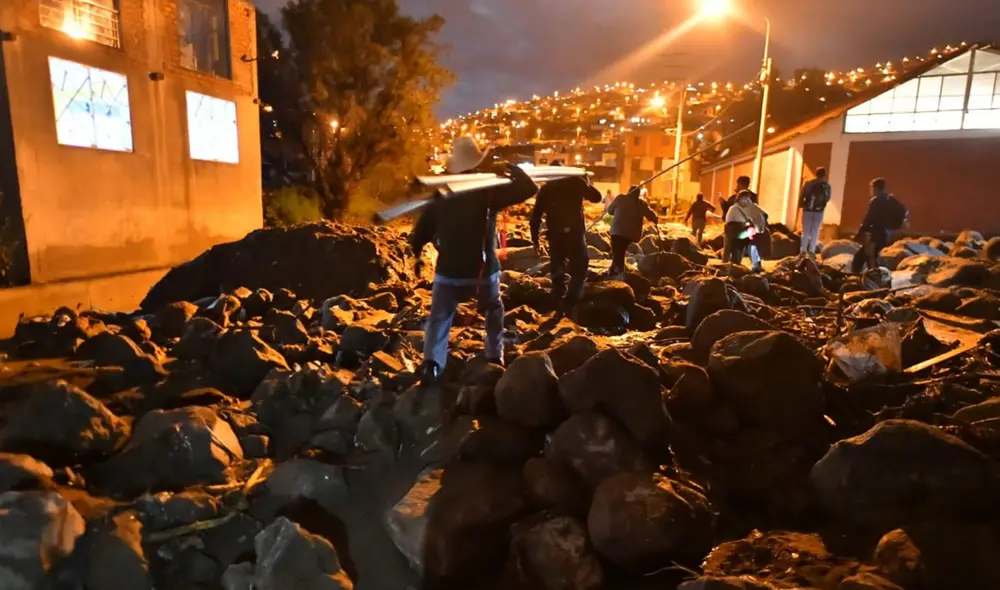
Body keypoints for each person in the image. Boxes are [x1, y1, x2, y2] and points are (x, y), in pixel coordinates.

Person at [410, 137, 538, 385]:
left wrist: (416, 256)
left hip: (448, 270)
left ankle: (432, 364)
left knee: (439, 316)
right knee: (493, 309)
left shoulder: (441, 194)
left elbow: (420, 233)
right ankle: (494, 355)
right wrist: (510, 168)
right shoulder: (487, 190)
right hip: (482, 271)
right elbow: (529, 188)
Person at [530, 163, 602, 313]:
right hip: (575, 234)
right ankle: (571, 300)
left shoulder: (546, 189)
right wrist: (585, 181)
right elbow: (597, 197)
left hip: (555, 235)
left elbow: (535, 217)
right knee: (580, 267)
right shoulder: (575, 182)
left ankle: (558, 298)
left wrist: (535, 239)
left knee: (557, 267)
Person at [607, 186, 657, 278]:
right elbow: (651, 215)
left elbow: (610, 211)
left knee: (618, 252)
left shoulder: (620, 198)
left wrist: (620, 211)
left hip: (617, 232)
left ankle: (619, 272)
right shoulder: (641, 204)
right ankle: (614, 270)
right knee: (619, 252)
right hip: (631, 234)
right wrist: (655, 219)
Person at [851, 177, 895, 274]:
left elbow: (868, 220)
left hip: (875, 235)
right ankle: (875, 279)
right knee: (870, 258)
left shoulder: (876, 201)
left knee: (859, 259)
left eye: (872, 188)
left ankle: (858, 280)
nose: (871, 191)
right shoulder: (889, 199)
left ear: (875, 188)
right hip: (885, 235)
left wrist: (858, 234)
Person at [724, 190, 767, 269]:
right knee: (749, 247)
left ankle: (735, 266)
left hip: (740, 232)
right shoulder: (750, 207)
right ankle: (756, 266)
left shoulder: (734, 208)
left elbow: (728, 222)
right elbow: (764, 215)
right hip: (744, 231)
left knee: (740, 248)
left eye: (747, 198)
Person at [799, 168, 831, 257]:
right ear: (824, 174)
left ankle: (803, 250)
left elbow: (802, 195)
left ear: (816, 174)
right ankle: (812, 251)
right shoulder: (827, 186)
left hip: (808, 210)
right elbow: (827, 198)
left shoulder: (808, 183)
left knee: (805, 232)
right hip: (819, 211)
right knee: (815, 231)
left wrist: (802, 204)